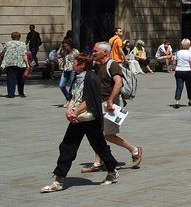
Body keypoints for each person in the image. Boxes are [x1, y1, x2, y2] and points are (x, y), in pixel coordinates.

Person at [40, 54, 120, 192]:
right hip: (77, 118)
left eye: (75, 62)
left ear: (83, 65)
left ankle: (112, 171)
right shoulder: (77, 78)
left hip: (89, 119)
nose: (72, 64)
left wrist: (75, 113)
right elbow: (73, 96)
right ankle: (59, 180)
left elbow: (89, 100)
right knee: (67, 147)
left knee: (99, 145)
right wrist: (69, 111)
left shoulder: (92, 78)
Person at [81, 42, 142, 174]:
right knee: (98, 134)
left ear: (105, 52)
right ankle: (98, 162)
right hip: (99, 104)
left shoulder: (112, 65)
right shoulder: (98, 65)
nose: (93, 52)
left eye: (95, 51)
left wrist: (109, 101)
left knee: (108, 135)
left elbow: (118, 83)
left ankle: (135, 150)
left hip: (109, 105)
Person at [0, 31, 28, 98]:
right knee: (20, 78)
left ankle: (11, 94)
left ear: (12, 37)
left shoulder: (8, 43)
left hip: (10, 63)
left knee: (10, 78)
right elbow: (25, 54)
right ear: (19, 37)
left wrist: (2, 56)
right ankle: (21, 93)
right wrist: (27, 64)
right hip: (20, 63)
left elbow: (2, 52)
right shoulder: (23, 44)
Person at [172, 38, 191, 108]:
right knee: (189, 86)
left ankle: (177, 101)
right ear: (189, 45)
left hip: (178, 71)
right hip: (188, 71)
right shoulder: (190, 53)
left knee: (179, 86)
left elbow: (174, 62)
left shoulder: (178, 52)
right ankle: (190, 101)